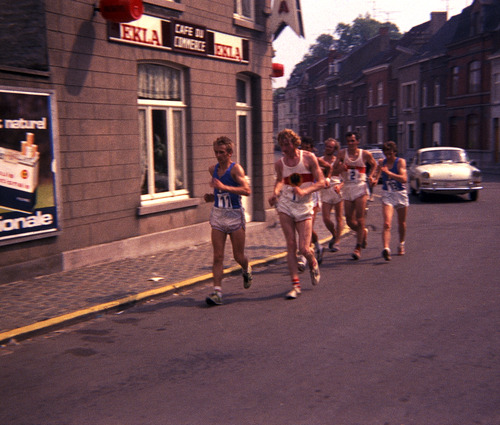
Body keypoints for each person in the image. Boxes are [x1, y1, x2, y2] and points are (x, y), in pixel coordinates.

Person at [269, 129, 325, 299]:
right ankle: (295, 285)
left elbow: (322, 182)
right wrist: (275, 193)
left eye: (287, 144)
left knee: (303, 248)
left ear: (294, 142)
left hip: (304, 205)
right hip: (286, 205)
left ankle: (312, 260)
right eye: (282, 144)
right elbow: (280, 180)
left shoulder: (308, 158)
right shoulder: (280, 163)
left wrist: (304, 191)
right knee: (291, 245)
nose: (284, 148)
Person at [204, 136, 253, 305]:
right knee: (218, 256)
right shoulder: (213, 169)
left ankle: (246, 268)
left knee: (238, 256)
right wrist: (212, 197)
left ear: (230, 153)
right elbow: (219, 193)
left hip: (234, 215)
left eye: (222, 152)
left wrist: (224, 187)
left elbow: (247, 190)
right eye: (216, 152)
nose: (218, 156)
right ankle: (217, 292)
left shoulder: (236, 169)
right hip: (218, 215)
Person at [333, 131, 377, 260]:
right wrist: (340, 168)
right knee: (349, 221)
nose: (350, 143)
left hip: (360, 186)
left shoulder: (365, 154)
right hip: (347, 187)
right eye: (348, 141)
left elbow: (374, 164)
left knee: (360, 217)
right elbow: (334, 170)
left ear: (358, 141)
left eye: (353, 141)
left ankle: (357, 247)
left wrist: (371, 175)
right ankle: (362, 232)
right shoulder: (342, 154)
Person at [373, 141, 409, 261]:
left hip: (400, 194)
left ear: (394, 152)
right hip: (387, 194)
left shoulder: (400, 162)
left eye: (390, 154)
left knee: (401, 223)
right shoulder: (382, 162)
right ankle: (386, 249)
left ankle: (401, 243)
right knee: (387, 223)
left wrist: (389, 173)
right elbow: (377, 174)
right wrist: (374, 180)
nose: (388, 156)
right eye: (386, 154)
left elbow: (404, 179)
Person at [300, 136, 329, 265]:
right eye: (303, 148)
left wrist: (326, 178)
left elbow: (328, 166)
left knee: (308, 225)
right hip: (301, 195)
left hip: (313, 196)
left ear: (312, 149)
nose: (305, 150)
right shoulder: (297, 160)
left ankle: (304, 257)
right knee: (304, 227)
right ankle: (318, 246)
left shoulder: (315, 160)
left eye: (308, 148)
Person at [320, 138, 344, 252]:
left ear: (335, 149)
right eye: (327, 146)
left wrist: (340, 186)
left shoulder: (338, 161)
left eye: (330, 147)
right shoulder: (320, 160)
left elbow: (345, 178)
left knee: (339, 217)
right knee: (325, 218)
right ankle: (334, 234)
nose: (328, 148)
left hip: (337, 190)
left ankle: (337, 242)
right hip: (325, 191)